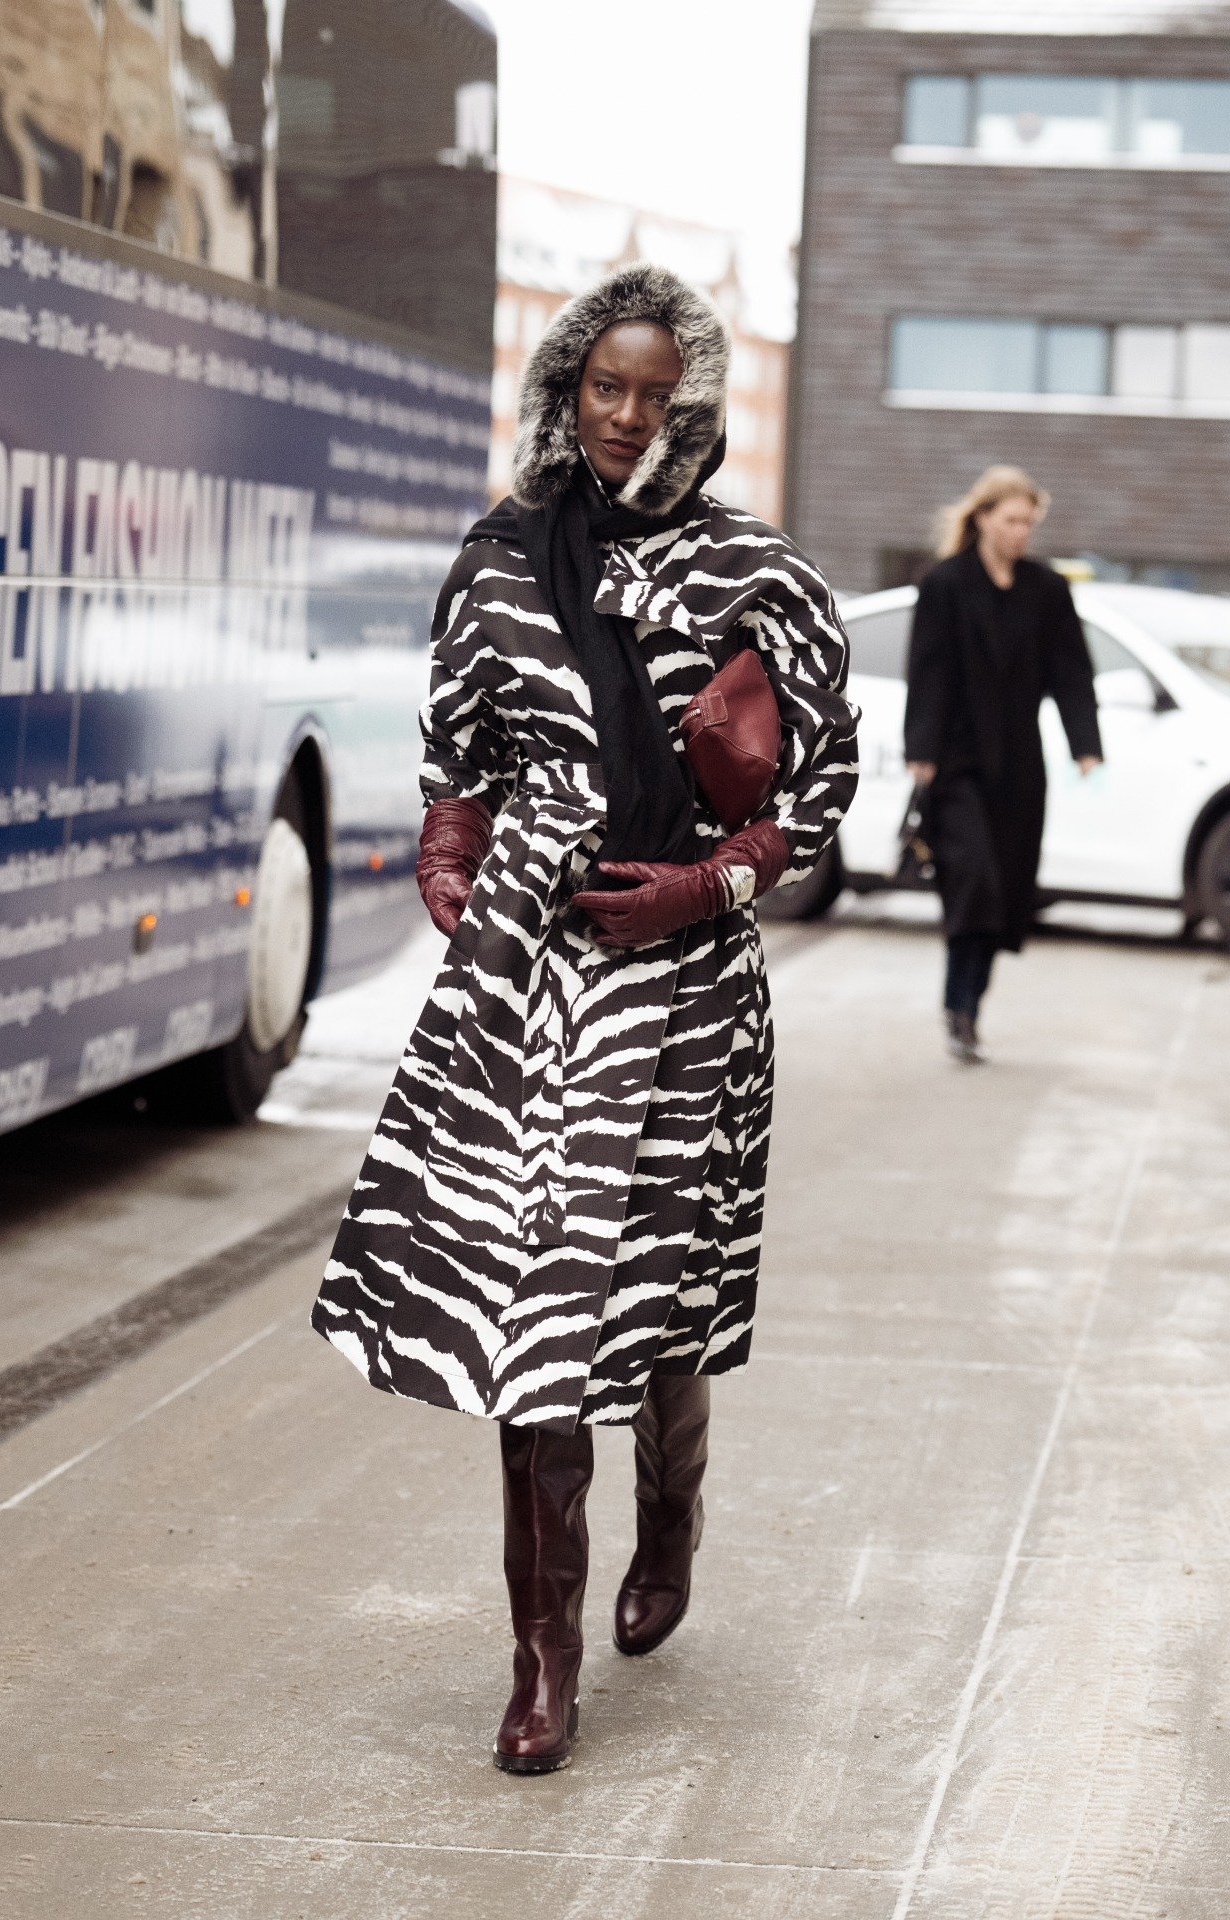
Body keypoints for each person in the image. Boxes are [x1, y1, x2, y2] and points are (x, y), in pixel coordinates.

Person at [312, 265, 859, 1773]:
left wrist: (704, 888)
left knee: (659, 1291)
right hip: (531, 981)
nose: (624, 418)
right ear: (568, 390)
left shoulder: (762, 579)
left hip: (685, 984)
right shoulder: (494, 559)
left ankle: (671, 1510)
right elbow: (458, 745)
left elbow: (816, 799)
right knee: (528, 1308)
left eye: (653, 393)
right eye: (602, 389)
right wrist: (447, 843)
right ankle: (539, 1656)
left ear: (690, 403)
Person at [904, 465, 1103, 1063]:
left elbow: (1072, 669)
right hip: (958, 762)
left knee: (1006, 891)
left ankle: (968, 1010)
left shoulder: (1046, 588)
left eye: (1029, 522)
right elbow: (928, 671)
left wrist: (1084, 743)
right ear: (983, 516)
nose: (1021, 532)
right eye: (1011, 519)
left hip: (1019, 764)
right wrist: (922, 751)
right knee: (976, 880)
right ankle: (957, 1005)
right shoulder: (944, 583)